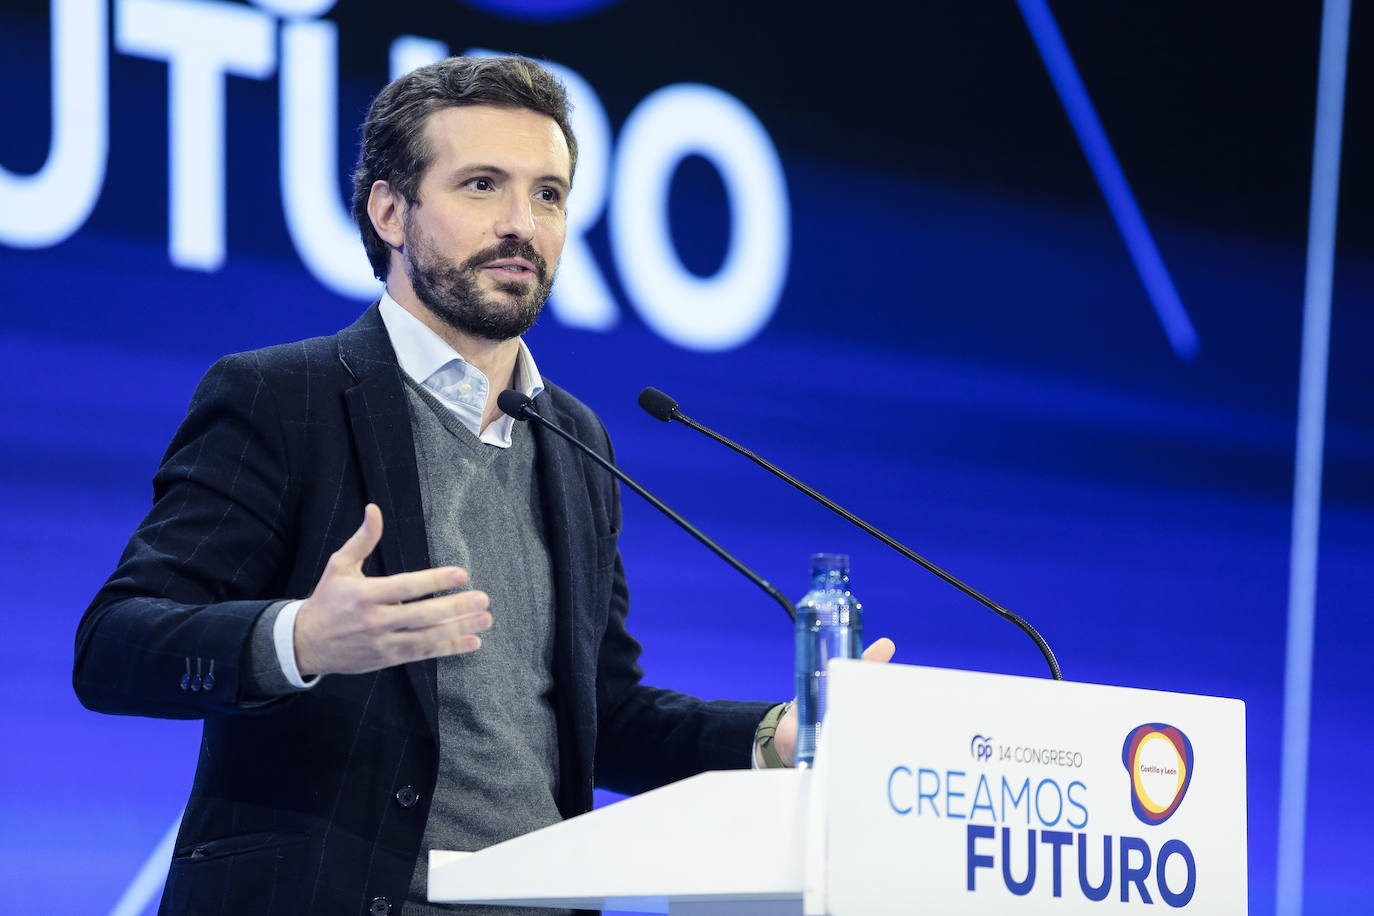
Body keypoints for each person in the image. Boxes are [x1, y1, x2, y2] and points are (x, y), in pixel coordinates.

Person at [74, 55, 892, 916]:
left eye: (548, 195)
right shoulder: (285, 398)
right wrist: (301, 640)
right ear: (391, 211)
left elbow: (600, 715)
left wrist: (772, 738)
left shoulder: (573, 438)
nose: (520, 224)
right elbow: (115, 646)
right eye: (480, 185)